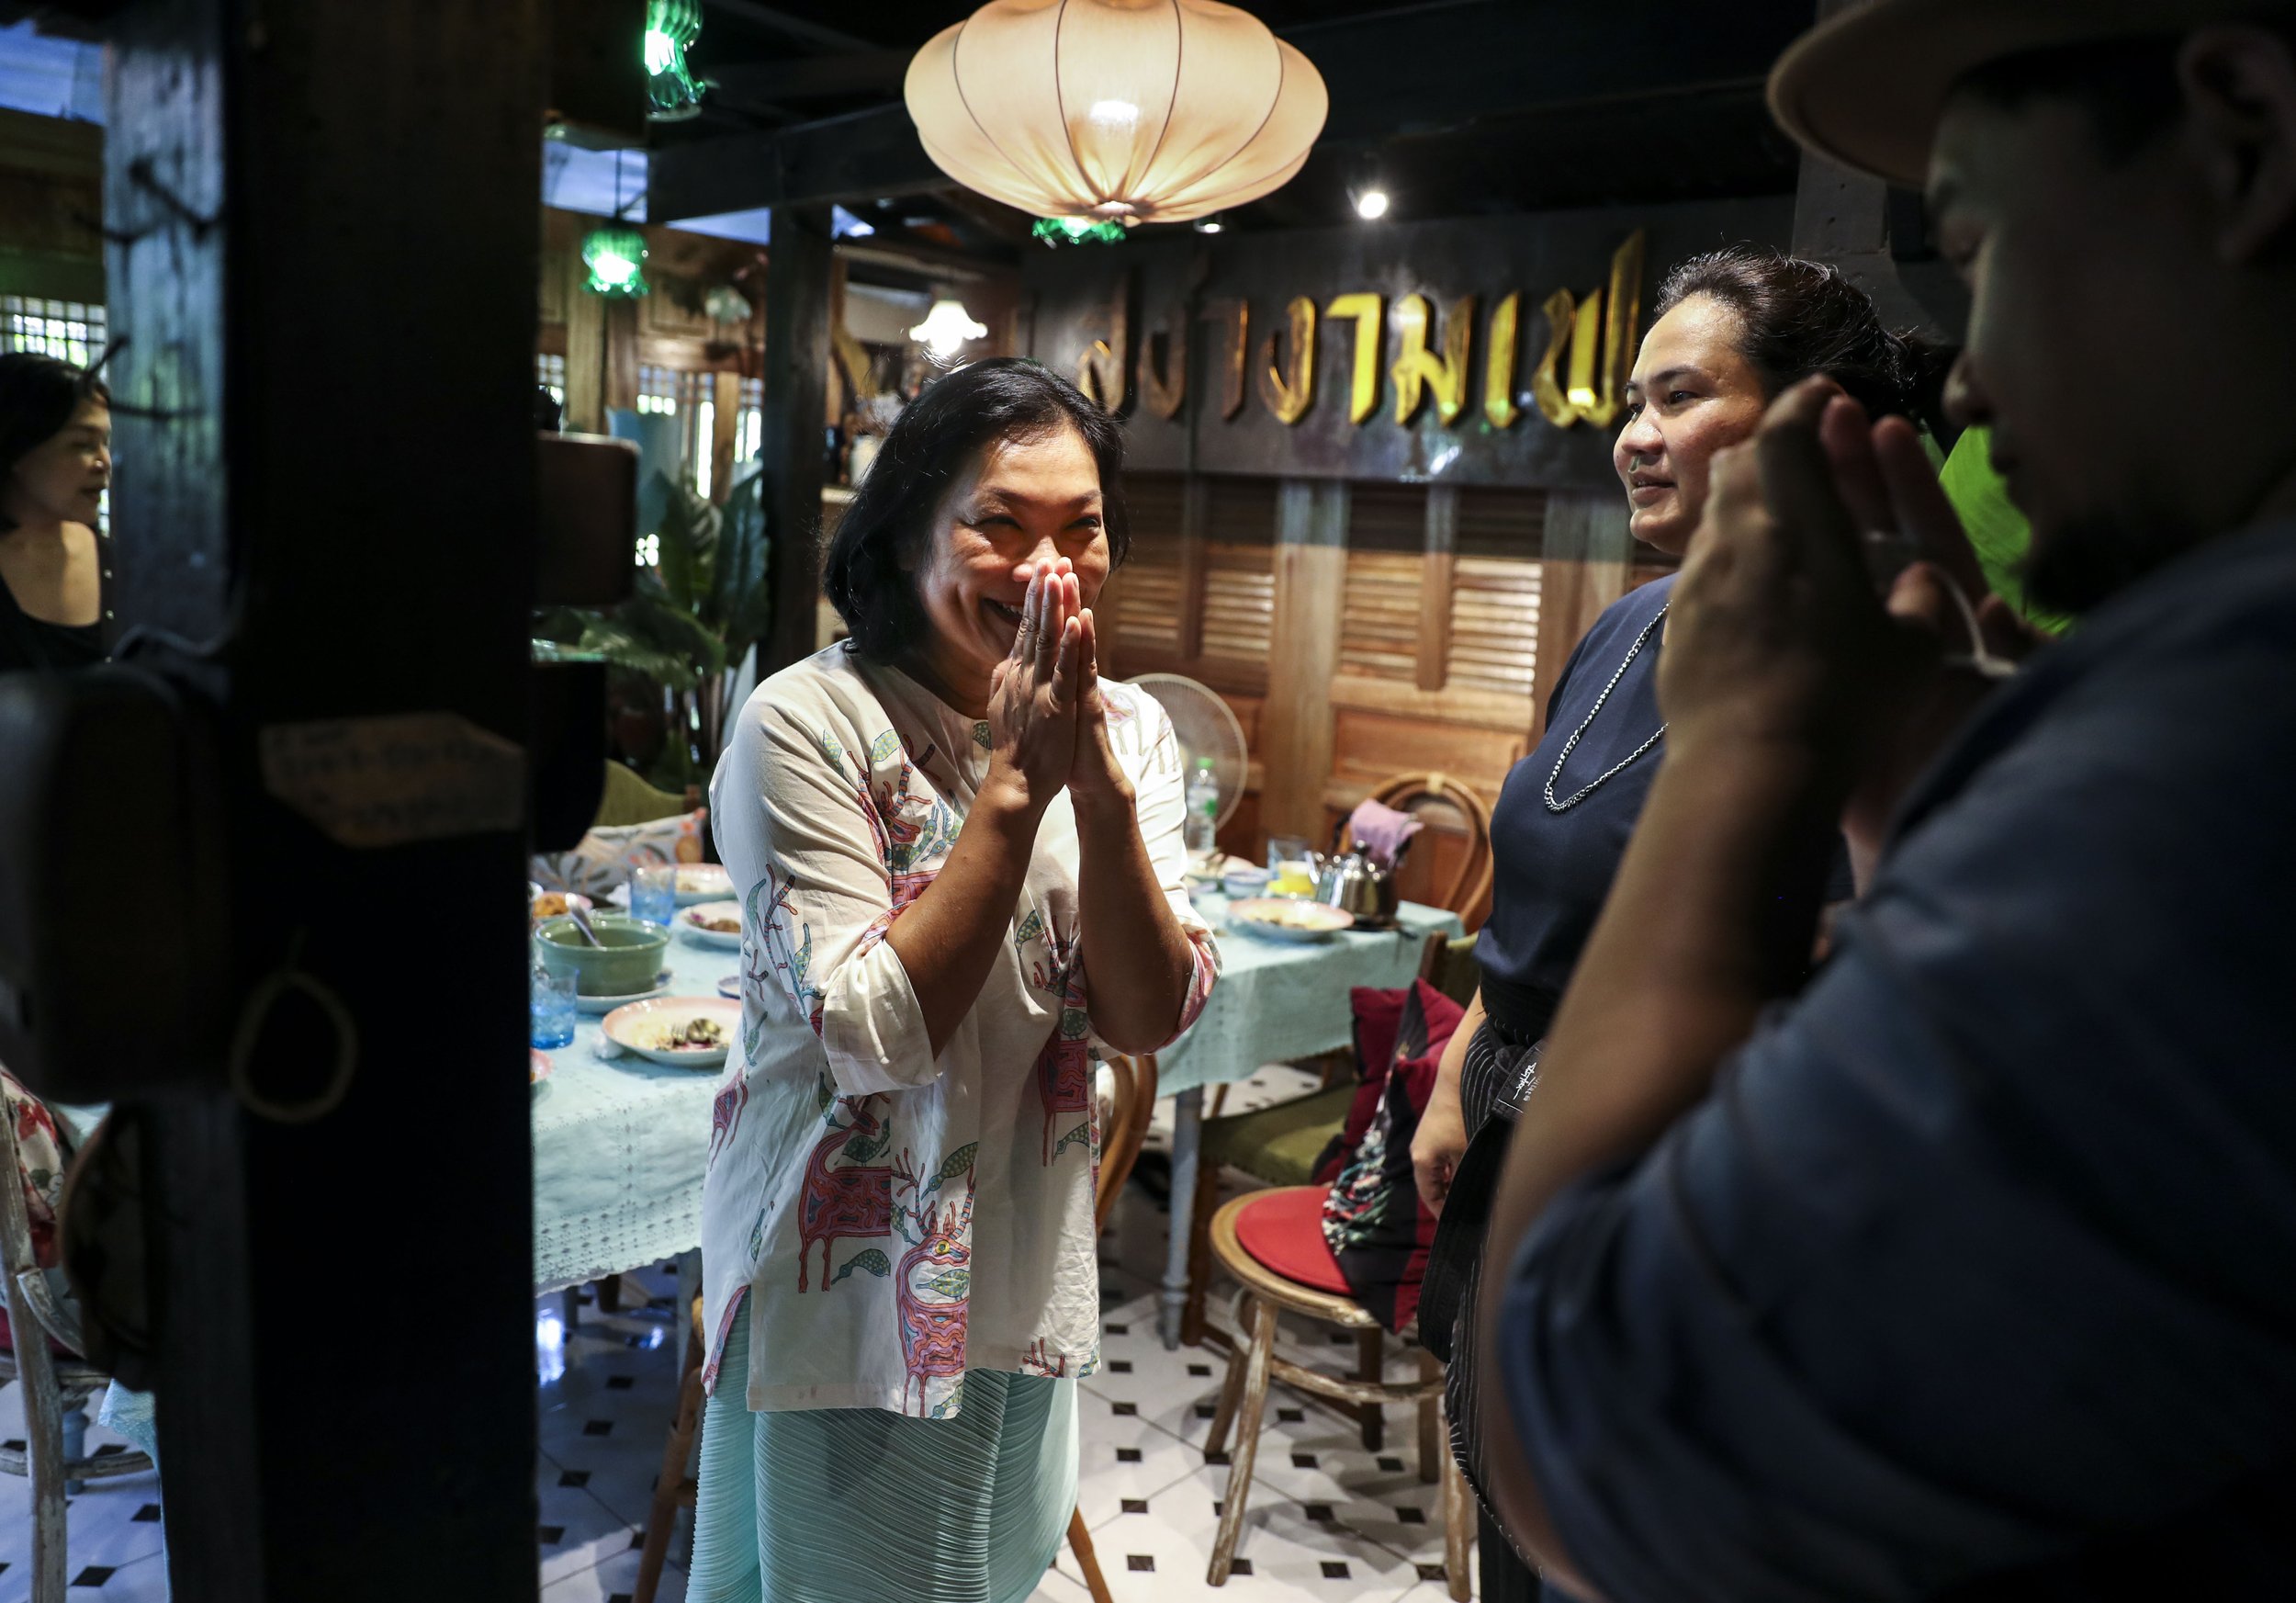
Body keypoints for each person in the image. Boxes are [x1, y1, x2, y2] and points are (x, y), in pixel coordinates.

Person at [1479, 3, 2296, 1597]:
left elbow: (1584, 1429)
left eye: (1981, 247)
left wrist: (1752, 741)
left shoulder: (2231, 735)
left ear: (2246, 134)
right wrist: (1927, 768)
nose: (1974, 384)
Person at [1409, 248, 1937, 1602]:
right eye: (1631, 403)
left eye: (1682, 397)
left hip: (1690, 1204)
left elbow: (1850, 985)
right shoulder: (1630, 621)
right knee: (1516, 1557)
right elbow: (1540, 884)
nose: (1636, 437)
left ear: (1811, 417)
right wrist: (1465, 1071)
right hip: (1523, 1156)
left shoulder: (1873, 653)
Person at [692, 357, 1220, 1603]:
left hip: (1024, 1249)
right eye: (1001, 524)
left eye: (1082, 530)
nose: (1051, 569)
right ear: (908, 533)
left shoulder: (1131, 729)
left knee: (984, 1565)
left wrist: (1092, 782)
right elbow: (875, 1031)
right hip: (846, 1270)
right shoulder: (805, 725)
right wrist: (1016, 779)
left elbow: (1148, 1016)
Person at [0, 353, 111, 673]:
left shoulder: (121, 564)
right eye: (82, 444)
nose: (104, 462)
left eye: (105, 442)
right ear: (18, 448)